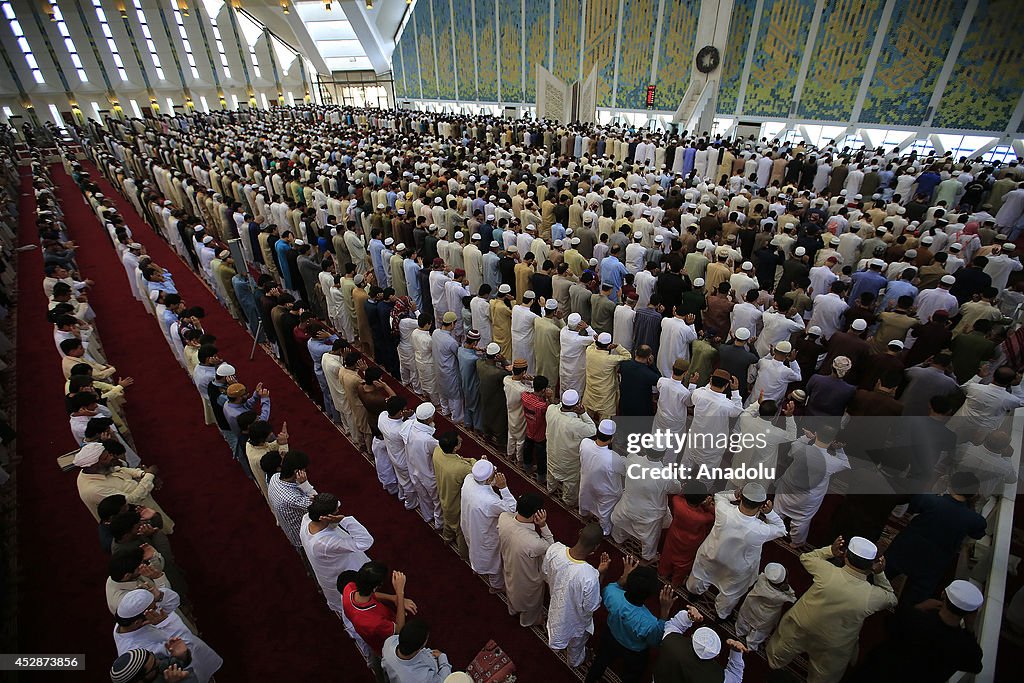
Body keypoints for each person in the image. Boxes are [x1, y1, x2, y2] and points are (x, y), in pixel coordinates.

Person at [767, 536, 896, 683]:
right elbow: (892, 598)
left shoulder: (827, 572)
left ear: (845, 555)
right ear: (871, 566)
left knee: (783, 648)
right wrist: (879, 573)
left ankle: (774, 662)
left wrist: (830, 551)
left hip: (802, 624)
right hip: (834, 642)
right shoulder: (872, 596)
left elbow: (806, 557)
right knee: (824, 674)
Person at [883, 472, 987, 607]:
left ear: (950, 485)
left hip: (906, 548)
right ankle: (902, 620)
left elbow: (914, 507)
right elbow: (977, 534)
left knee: (882, 574)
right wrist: (971, 505)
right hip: (934, 561)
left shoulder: (930, 500)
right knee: (914, 599)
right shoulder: (974, 519)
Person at [850, 579, 984, 682]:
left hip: (880, 673)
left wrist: (919, 607)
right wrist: (970, 629)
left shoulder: (914, 618)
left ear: (943, 594)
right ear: (970, 614)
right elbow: (975, 665)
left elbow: (890, 624)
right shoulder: (963, 646)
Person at [686, 483, 787, 620]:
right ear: (761, 506)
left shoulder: (723, 510)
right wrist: (770, 512)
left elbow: (719, 495)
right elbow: (781, 529)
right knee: (729, 594)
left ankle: (693, 593)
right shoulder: (761, 530)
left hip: (712, 555)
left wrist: (733, 494)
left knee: (700, 575)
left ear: (741, 498)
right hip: (737, 569)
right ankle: (721, 614)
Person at [299, 493, 375, 662]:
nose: (339, 511)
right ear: (326, 517)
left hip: (333, 572)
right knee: (354, 615)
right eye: (336, 511)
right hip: (343, 576)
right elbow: (365, 542)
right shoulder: (324, 542)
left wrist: (306, 487)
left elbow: (319, 500)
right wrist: (344, 520)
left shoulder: (306, 519)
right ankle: (369, 656)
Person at [585, 556, 676, 683]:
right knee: (632, 675)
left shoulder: (612, 594)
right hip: (634, 652)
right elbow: (655, 641)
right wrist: (665, 610)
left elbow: (611, 589)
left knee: (600, 661)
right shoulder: (650, 622)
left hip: (610, 636)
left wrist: (624, 576)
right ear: (650, 595)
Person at [112, 589, 223, 683]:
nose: (158, 608)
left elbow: (174, 601)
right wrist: (166, 623)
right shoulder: (137, 650)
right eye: (154, 607)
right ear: (137, 622)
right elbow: (187, 645)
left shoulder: (127, 621)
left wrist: (160, 596)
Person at [773, 423, 852, 547]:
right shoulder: (832, 462)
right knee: (801, 521)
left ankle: (773, 529)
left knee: (777, 509)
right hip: (808, 498)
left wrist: (807, 438)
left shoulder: (799, 448)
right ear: (833, 441)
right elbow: (846, 463)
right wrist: (839, 448)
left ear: (816, 434)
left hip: (787, 487)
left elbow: (795, 445)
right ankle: (796, 542)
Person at [542, 523, 609, 667]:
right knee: (576, 645)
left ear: (580, 533)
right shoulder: (590, 576)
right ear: (596, 547)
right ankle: (574, 661)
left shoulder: (554, 549)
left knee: (558, 632)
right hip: (576, 621)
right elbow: (592, 606)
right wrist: (600, 574)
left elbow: (546, 574)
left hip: (555, 607)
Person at [497, 492, 555, 627]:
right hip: (528, 579)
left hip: (509, 566)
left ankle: (512, 610)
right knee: (530, 604)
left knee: (511, 589)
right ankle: (528, 621)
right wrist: (543, 525)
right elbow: (552, 548)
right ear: (537, 514)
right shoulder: (534, 543)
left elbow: (510, 513)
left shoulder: (503, 518)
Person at [340, 563, 413, 669]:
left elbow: (369, 594)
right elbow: (399, 629)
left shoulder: (349, 588)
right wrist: (400, 593)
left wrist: (394, 598)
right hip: (387, 643)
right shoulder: (375, 623)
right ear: (376, 587)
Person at [460, 460, 516, 592]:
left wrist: (483, 464)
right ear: (488, 479)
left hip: (469, 523)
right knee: (492, 561)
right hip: (485, 532)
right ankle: (496, 586)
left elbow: (479, 475)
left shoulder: (469, 479)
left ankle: (476, 566)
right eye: (494, 474)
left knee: (473, 546)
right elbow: (511, 508)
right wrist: (504, 488)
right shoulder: (490, 501)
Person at [653, 606, 749, 682]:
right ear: (717, 656)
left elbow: (673, 625)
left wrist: (688, 617)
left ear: (691, 636)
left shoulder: (671, 641)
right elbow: (735, 678)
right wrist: (736, 652)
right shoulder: (718, 679)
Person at [545, 389, 596, 507]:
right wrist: (583, 413)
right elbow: (593, 430)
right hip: (568, 462)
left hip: (552, 453)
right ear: (576, 406)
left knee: (551, 473)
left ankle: (550, 489)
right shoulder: (576, 424)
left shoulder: (551, 410)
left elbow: (556, 405)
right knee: (570, 483)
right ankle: (568, 501)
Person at [658, 481, 715, 587]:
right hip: (691, 543)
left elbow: (678, 494)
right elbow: (714, 515)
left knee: (667, 555)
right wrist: (707, 506)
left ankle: (663, 573)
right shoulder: (703, 518)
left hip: (674, 536)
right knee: (683, 564)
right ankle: (676, 582)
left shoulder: (677, 502)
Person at [431, 431, 476, 557]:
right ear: (455, 447)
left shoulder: (438, 451)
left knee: (448, 520)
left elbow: (458, 460)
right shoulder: (460, 468)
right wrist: (473, 460)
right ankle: (463, 553)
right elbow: (475, 472)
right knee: (460, 529)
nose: (461, 439)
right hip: (455, 501)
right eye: (459, 441)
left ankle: (446, 538)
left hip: (443, 493)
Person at [578, 419, 626, 535]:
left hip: (587, 482)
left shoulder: (585, 443)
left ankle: (583, 514)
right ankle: (605, 531)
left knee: (585, 499)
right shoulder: (614, 458)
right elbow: (624, 472)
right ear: (611, 438)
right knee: (604, 513)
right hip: (606, 490)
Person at [734, 562, 796, 651]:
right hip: (765, 616)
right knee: (759, 631)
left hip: (751, 606)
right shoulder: (780, 596)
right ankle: (751, 645)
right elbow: (793, 598)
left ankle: (739, 631)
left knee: (743, 619)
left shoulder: (762, 579)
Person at [267, 450, 317, 552]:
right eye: (304, 469)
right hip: (303, 538)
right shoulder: (293, 499)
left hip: (288, 528)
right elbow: (319, 504)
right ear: (297, 472)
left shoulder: (275, 477)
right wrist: (305, 484)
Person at [381, 619, 453, 683]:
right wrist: (442, 658)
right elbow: (445, 680)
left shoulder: (389, 642)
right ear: (421, 646)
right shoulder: (421, 678)